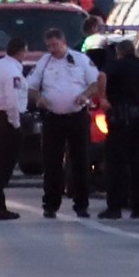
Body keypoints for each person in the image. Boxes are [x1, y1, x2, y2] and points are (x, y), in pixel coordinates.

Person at [25, 28, 101, 218]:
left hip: (77, 117)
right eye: (49, 46)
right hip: (53, 118)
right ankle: (50, 204)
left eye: (55, 45)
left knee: (80, 161)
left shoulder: (80, 60)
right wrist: (39, 98)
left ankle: (81, 204)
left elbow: (95, 83)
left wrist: (85, 95)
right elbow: (31, 86)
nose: (52, 49)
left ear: (63, 41)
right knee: (52, 163)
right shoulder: (44, 62)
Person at [98, 40, 139, 219]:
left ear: (119, 52)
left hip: (119, 119)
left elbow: (102, 76)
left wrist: (103, 98)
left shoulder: (115, 65)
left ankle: (115, 207)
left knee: (115, 164)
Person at [0, 36, 30, 221]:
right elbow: (12, 100)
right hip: (7, 120)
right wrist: (16, 123)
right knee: (4, 165)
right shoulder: (13, 72)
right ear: (21, 52)